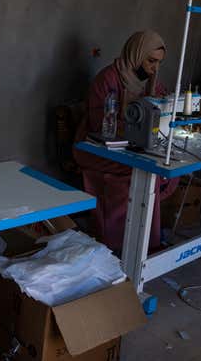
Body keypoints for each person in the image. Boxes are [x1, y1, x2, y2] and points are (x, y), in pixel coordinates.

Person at [73, 30, 179, 252]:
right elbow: (97, 125)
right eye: (151, 61)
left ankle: (145, 240)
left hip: (132, 148)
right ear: (136, 53)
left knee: (166, 170)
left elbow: (163, 112)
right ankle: (118, 244)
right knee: (141, 174)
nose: (155, 68)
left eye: (159, 63)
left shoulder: (153, 84)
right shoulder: (108, 79)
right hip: (98, 149)